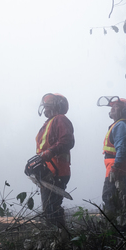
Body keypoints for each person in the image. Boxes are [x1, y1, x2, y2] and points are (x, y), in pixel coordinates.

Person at [34, 93, 75, 229]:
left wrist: (50, 152)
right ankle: (55, 238)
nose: (45, 107)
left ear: (57, 104)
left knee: (52, 208)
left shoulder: (60, 119)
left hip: (57, 170)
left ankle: (60, 238)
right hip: (48, 171)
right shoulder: (48, 123)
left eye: (49, 103)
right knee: (48, 208)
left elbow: (67, 141)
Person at [98, 96, 126, 220]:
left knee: (109, 195)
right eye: (113, 107)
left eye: (116, 107)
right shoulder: (119, 125)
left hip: (117, 167)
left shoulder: (120, 126)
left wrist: (116, 167)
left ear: (124, 111)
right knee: (119, 194)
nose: (113, 109)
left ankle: (116, 222)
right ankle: (125, 218)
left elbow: (121, 149)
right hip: (116, 166)